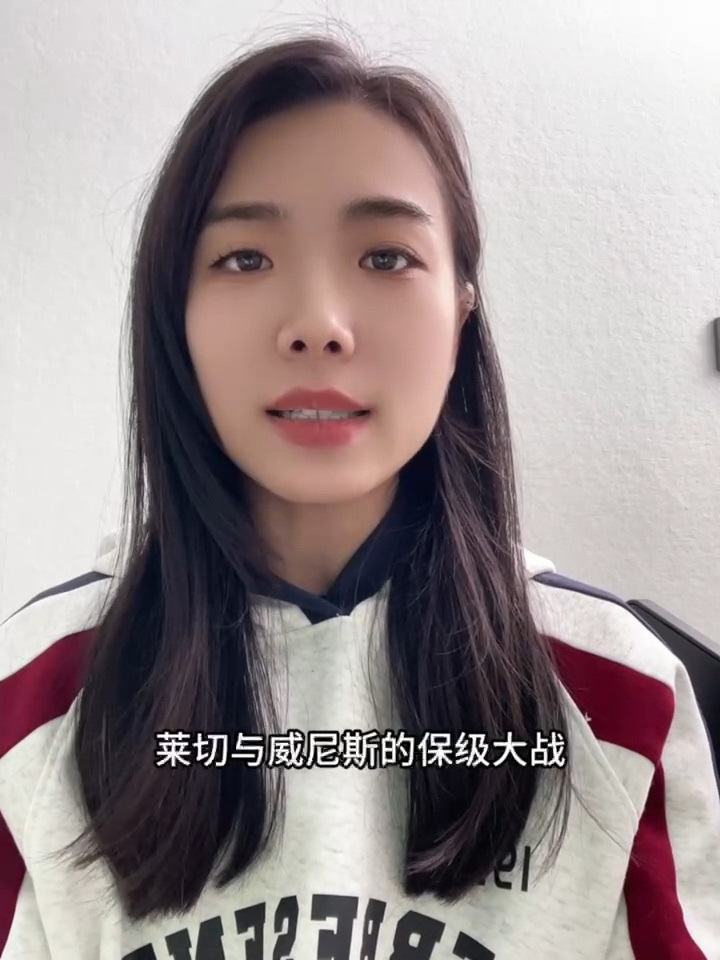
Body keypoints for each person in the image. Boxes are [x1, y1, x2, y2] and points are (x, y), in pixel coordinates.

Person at [1, 31, 718, 960]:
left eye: (384, 257)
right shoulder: (36, 689)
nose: (318, 325)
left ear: (462, 308)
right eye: (244, 258)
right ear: (175, 314)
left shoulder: (616, 692)